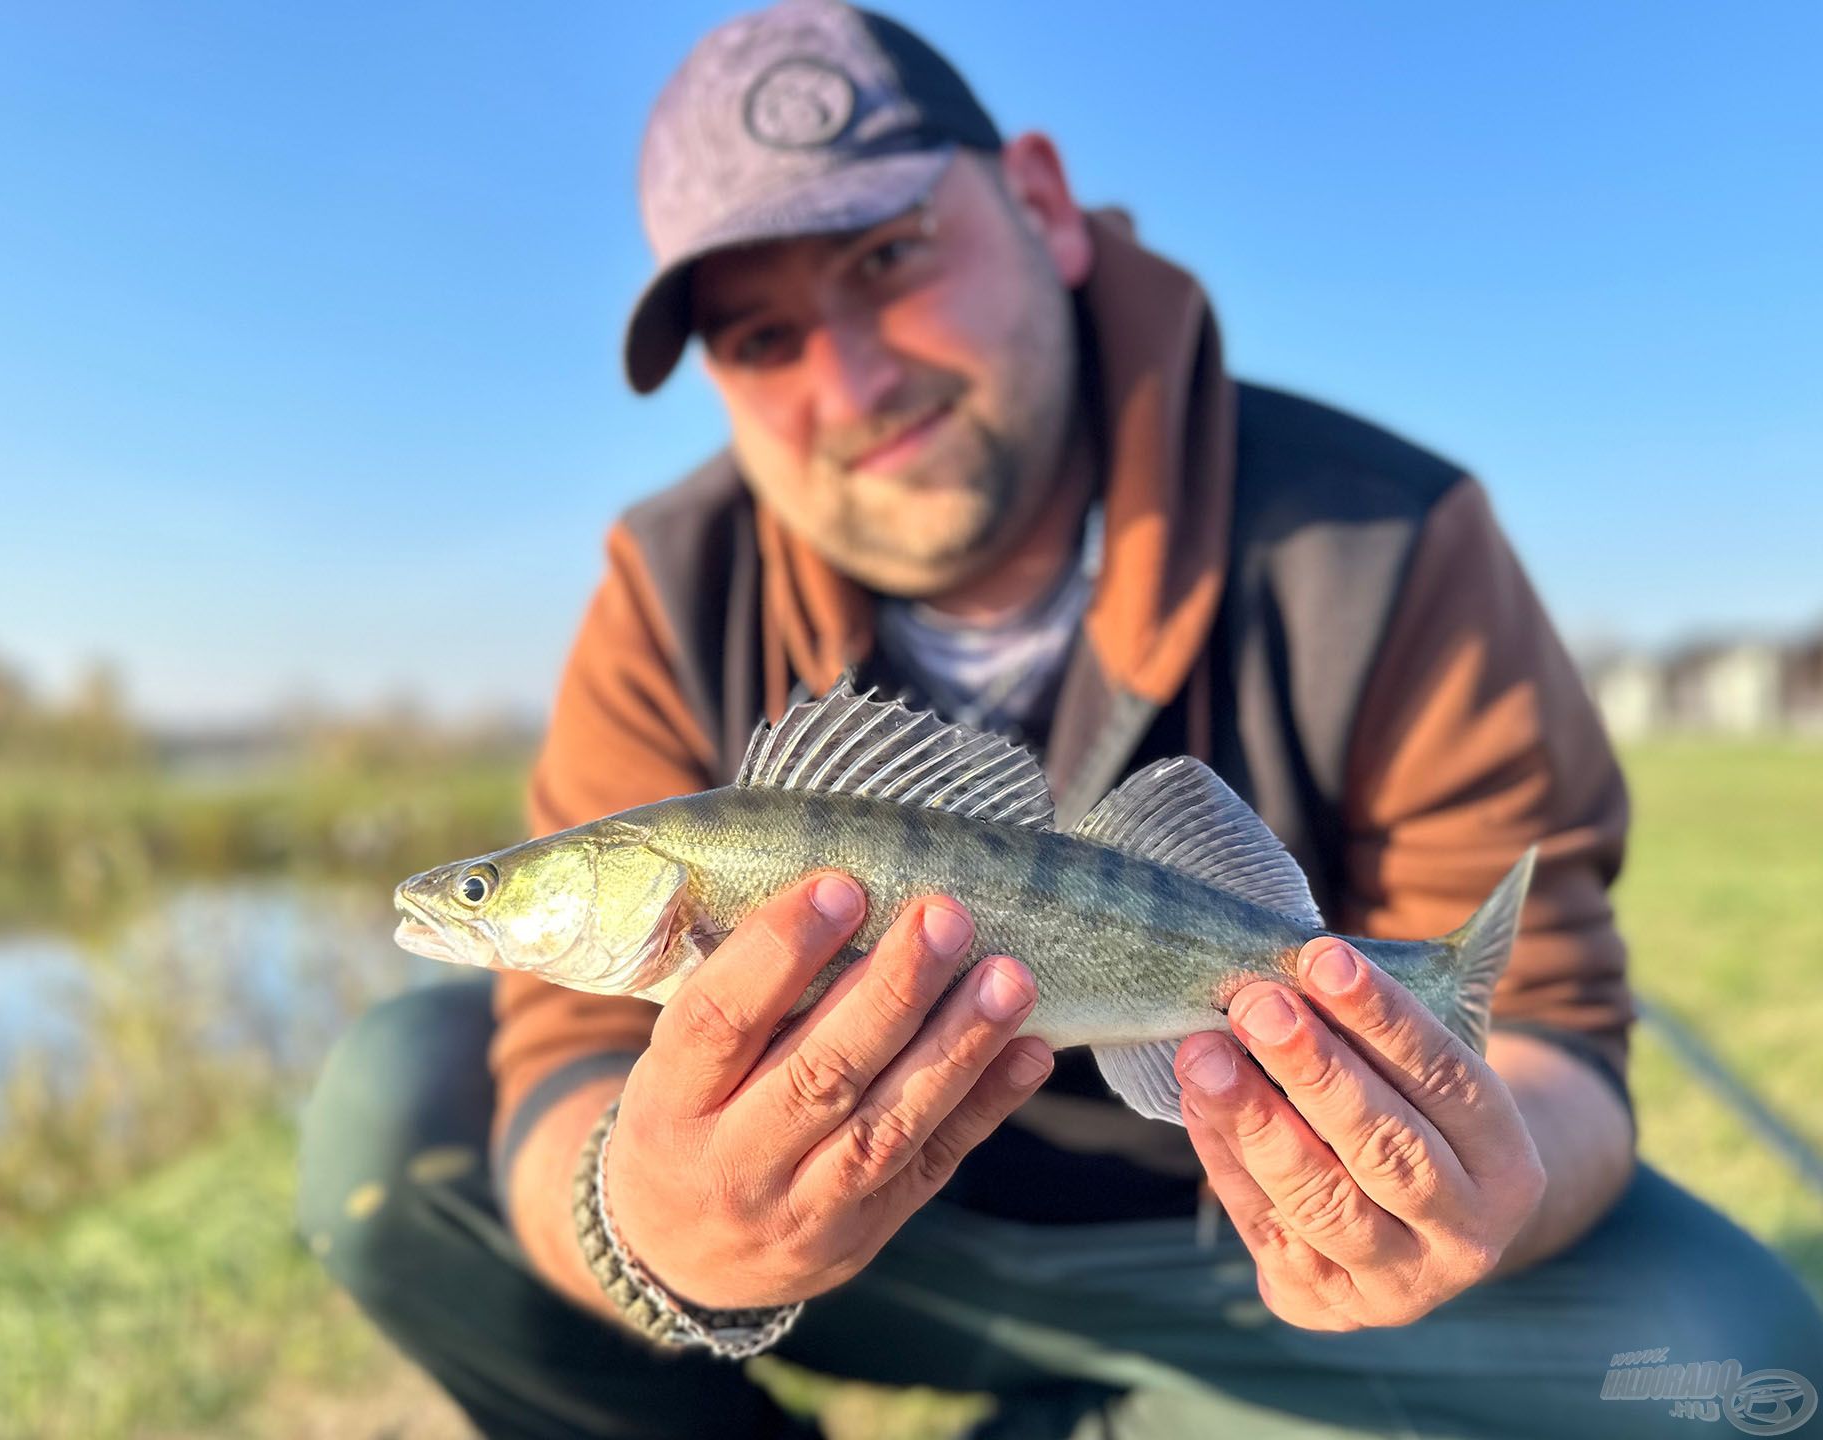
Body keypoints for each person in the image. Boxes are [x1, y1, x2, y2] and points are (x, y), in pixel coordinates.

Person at [297, 3, 1823, 1436]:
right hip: (885, 1269)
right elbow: (561, 1046)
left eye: (889, 256)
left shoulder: (1385, 532)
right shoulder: (666, 583)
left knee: (1736, 1370)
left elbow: (1545, 1017)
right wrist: (651, 1228)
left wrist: (1472, 1184)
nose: (855, 375)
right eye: (761, 338)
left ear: (1038, 201)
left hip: (1239, 1252)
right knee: (397, 1122)